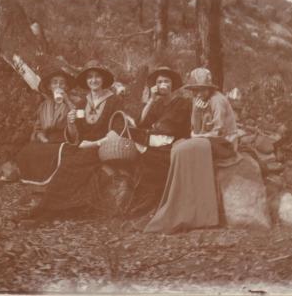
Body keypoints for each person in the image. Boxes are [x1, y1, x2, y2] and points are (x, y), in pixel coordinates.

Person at [21, 60, 123, 221]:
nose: (94, 80)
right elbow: (77, 135)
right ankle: (49, 209)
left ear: (103, 80)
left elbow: (118, 129)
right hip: (84, 144)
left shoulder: (114, 101)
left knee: (73, 165)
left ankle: (48, 210)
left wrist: (95, 143)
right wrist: (71, 122)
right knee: (63, 159)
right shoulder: (84, 102)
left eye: (97, 77)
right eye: (90, 77)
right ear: (87, 81)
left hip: (104, 145)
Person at [144, 67, 242, 234]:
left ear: (209, 88)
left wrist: (196, 136)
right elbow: (195, 128)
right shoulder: (199, 101)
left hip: (224, 142)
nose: (198, 93)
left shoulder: (217, 100)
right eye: (195, 90)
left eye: (202, 89)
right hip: (207, 139)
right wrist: (197, 113)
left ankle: (200, 213)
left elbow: (218, 131)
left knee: (184, 150)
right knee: (178, 148)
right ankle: (182, 203)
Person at [128, 66, 192, 217]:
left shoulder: (182, 103)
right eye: (159, 82)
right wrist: (151, 100)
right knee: (133, 135)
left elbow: (181, 127)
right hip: (154, 141)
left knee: (152, 158)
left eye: (166, 81)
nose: (163, 84)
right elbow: (141, 123)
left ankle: (153, 201)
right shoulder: (156, 104)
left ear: (172, 85)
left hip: (173, 142)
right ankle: (146, 201)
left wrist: (159, 129)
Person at [16, 65, 77, 184]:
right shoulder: (44, 105)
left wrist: (67, 101)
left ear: (67, 87)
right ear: (49, 87)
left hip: (64, 139)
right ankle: (35, 183)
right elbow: (38, 127)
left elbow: (77, 120)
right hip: (47, 139)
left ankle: (52, 183)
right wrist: (41, 137)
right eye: (55, 83)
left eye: (62, 83)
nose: (58, 86)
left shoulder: (73, 101)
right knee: (26, 151)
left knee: (55, 154)